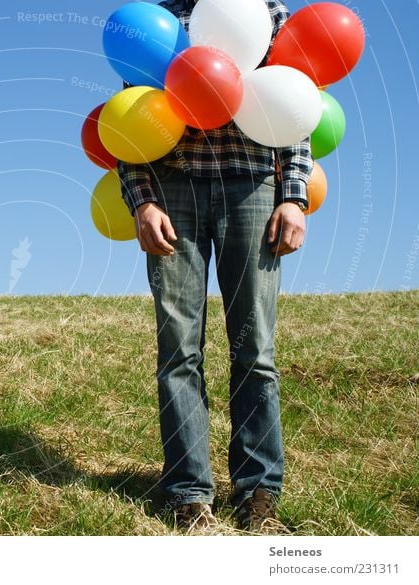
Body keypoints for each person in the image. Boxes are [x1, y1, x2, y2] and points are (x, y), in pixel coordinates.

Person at [116, 0, 312, 534]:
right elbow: (130, 114)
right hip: (173, 189)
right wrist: (142, 201)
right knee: (178, 346)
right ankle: (187, 493)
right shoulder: (154, 19)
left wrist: (293, 197)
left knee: (256, 348)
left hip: (252, 187)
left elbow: (293, 101)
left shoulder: (268, 11)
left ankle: (258, 492)